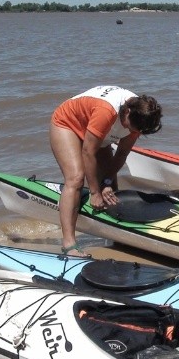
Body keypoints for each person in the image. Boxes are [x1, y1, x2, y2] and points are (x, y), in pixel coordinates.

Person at [49, 86, 162, 257]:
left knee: (112, 188)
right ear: (127, 112)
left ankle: (117, 237)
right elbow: (88, 151)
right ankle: (69, 244)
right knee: (76, 178)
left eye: (136, 132)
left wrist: (107, 182)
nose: (132, 133)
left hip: (100, 130)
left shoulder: (142, 116)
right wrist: (95, 192)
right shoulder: (106, 111)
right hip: (68, 124)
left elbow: (122, 153)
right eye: (131, 128)